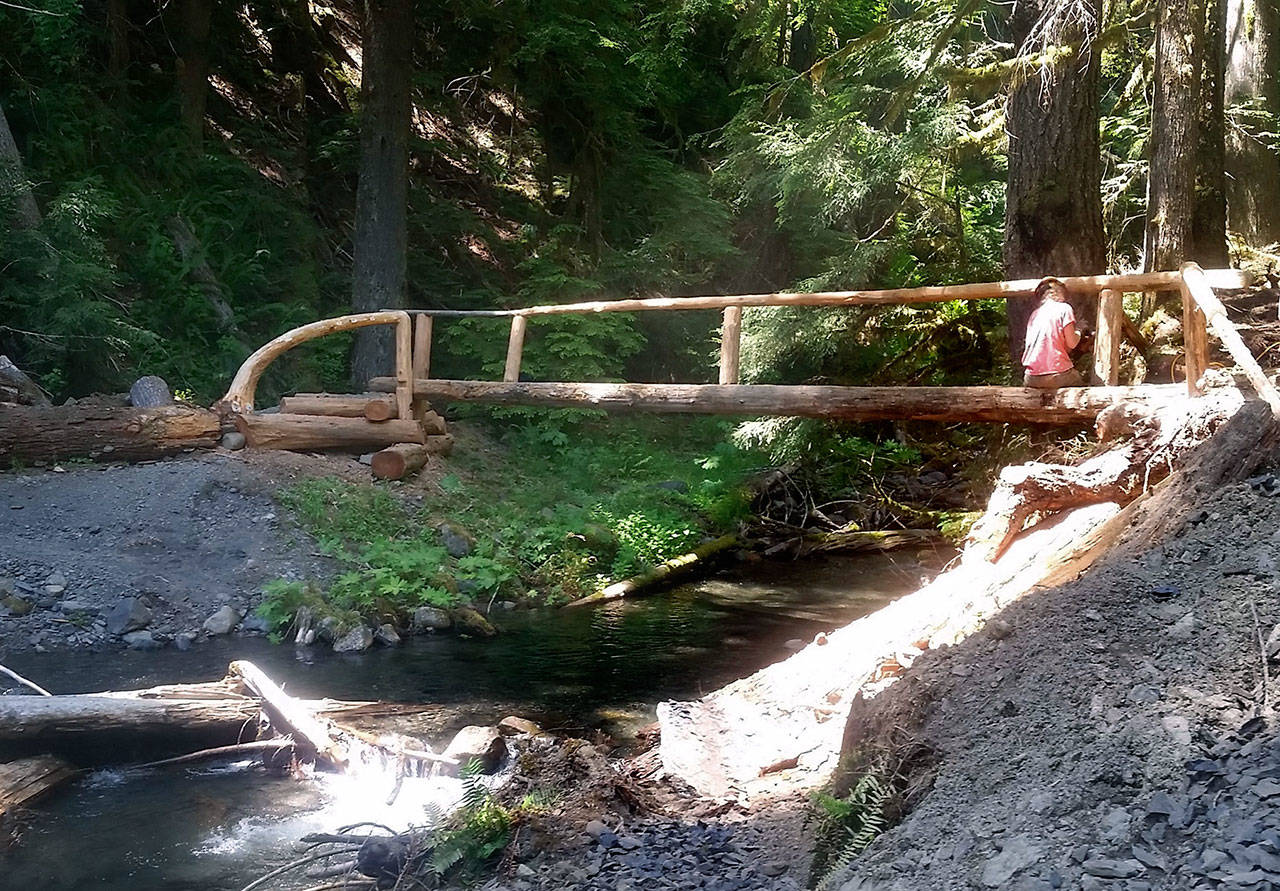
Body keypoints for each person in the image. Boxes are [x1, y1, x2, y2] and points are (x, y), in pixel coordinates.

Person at [1021, 276, 1085, 388]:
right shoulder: (1064, 308)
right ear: (1060, 293)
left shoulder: (1034, 314)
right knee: (1079, 383)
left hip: (1031, 376)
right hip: (1058, 374)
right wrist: (1079, 331)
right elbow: (1072, 343)